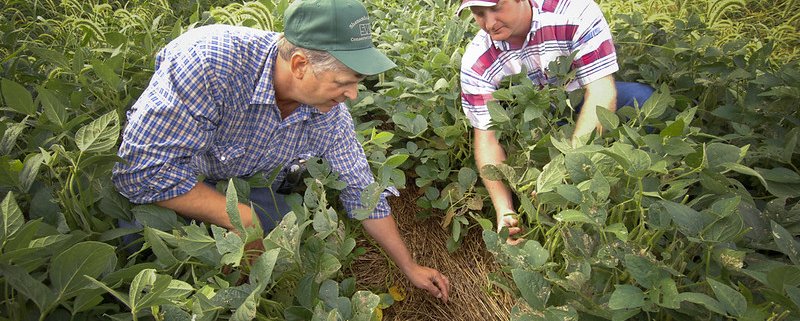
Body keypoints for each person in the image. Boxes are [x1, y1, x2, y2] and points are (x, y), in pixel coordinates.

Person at [112, 0, 449, 302]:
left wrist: (409, 266)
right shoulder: (209, 63)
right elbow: (140, 171)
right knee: (138, 245)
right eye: (344, 82)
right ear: (300, 65)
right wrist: (242, 218)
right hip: (182, 175)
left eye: (357, 81)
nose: (353, 95)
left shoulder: (329, 116)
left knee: (280, 239)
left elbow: (362, 191)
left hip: (246, 182)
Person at [457, 0, 654, 243]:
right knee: (535, 148)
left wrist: (568, 167)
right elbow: (486, 139)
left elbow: (602, 93)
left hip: (582, 97)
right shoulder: (477, 60)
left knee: (642, 100)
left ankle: (643, 181)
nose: (489, 23)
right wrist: (503, 210)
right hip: (536, 121)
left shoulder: (574, 12)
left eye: (496, 8)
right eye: (478, 14)